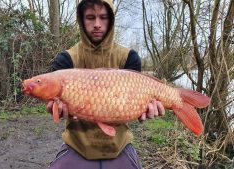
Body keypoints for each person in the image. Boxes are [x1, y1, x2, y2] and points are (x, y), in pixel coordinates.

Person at [47, 0, 165, 168]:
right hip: (77, 144)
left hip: (119, 144)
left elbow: (136, 106)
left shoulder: (129, 57)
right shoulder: (65, 59)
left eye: (103, 17)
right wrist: (55, 109)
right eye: (90, 17)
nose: (97, 24)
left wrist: (144, 109)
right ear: (81, 20)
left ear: (111, 20)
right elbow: (52, 102)